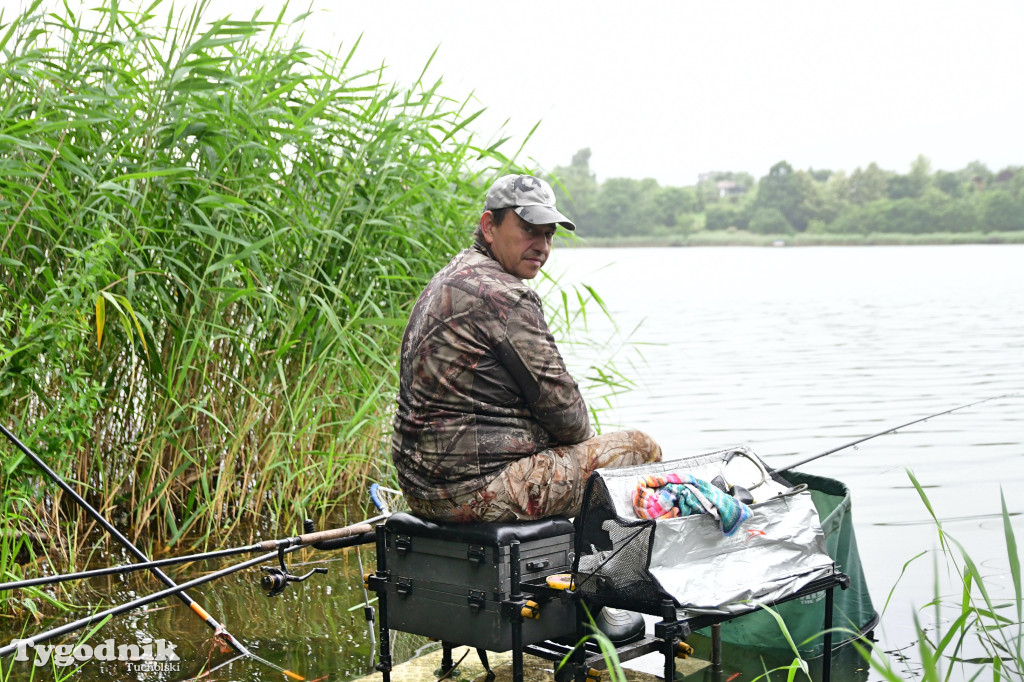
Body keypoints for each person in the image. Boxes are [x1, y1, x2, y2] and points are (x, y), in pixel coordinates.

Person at [391, 174, 662, 523]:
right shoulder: (504, 295)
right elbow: (573, 422)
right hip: (476, 493)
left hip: (419, 490)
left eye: (548, 235)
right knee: (640, 449)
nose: (542, 246)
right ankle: (609, 570)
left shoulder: (448, 278)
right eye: (529, 230)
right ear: (489, 226)